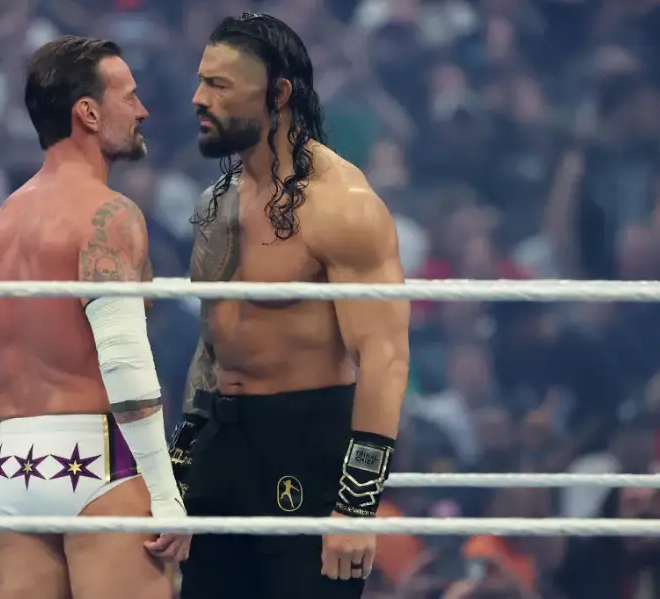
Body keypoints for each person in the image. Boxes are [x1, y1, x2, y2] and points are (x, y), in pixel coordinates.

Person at [169, 13, 411, 599]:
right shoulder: (214, 205)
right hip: (221, 449)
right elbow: (211, 347)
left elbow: (384, 357)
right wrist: (177, 468)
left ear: (277, 94)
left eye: (219, 85)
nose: (199, 98)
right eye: (201, 81)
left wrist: (357, 507)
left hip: (306, 447)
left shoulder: (342, 204)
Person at [0, 36, 189, 599]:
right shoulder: (108, 215)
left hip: (15, 469)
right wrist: (165, 492)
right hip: (97, 459)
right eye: (128, 97)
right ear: (88, 112)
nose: (142, 111)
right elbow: (125, 364)